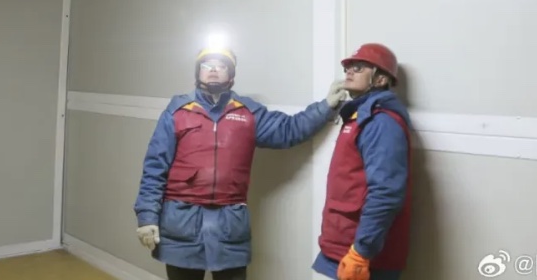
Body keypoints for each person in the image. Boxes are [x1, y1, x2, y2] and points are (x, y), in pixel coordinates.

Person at [134, 45, 346, 280]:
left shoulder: (248, 113)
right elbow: (155, 168)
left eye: (221, 66)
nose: (213, 70)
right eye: (207, 65)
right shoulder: (177, 112)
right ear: (198, 72)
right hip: (181, 226)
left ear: (231, 75)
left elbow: (289, 130)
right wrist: (147, 217)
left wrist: (326, 107)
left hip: (229, 228)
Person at [312, 43, 412, 280]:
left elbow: (385, 193)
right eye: (348, 67)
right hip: (342, 247)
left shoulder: (381, 122)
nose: (349, 71)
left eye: (359, 68)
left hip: (363, 256)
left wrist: (361, 252)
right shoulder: (359, 117)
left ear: (380, 80)